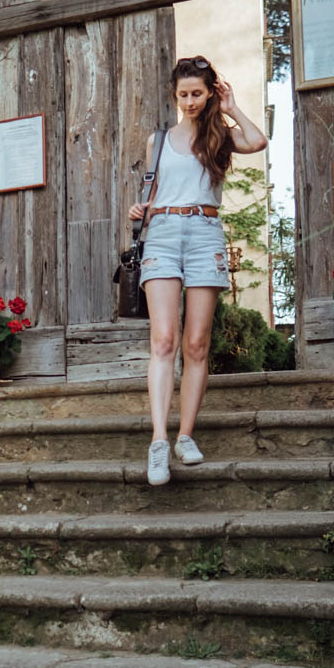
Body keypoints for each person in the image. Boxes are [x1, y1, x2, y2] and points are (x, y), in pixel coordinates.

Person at [127, 55, 268, 486]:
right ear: (175, 94)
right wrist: (139, 209)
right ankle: (158, 441)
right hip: (164, 231)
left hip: (205, 232)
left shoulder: (220, 136)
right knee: (164, 338)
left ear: (209, 94)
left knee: (197, 342)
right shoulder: (158, 140)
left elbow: (258, 141)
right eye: (183, 94)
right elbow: (155, 189)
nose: (189, 101)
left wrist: (232, 107)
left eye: (197, 94)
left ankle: (185, 435)